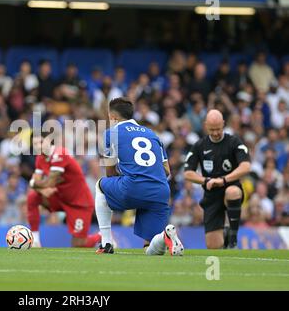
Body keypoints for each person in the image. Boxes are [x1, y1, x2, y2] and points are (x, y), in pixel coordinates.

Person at [95, 98, 184, 256]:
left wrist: (132, 175)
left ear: (112, 116)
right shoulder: (152, 134)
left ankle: (106, 243)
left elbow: (109, 172)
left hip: (133, 187)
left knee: (100, 186)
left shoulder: (110, 134)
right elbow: (166, 171)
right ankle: (165, 236)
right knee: (150, 250)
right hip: (160, 191)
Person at [184, 109, 251, 249]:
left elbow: (245, 166)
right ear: (205, 125)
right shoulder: (199, 145)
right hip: (211, 194)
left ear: (224, 124)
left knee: (232, 192)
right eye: (211, 129)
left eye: (218, 129)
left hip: (230, 186)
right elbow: (188, 173)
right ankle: (225, 235)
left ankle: (233, 237)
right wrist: (205, 181)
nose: (215, 133)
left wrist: (223, 180)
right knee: (213, 246)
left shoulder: (233, 142)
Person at [27, 133, 101, 248]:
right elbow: (36, 182)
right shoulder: (40, 158)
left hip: (79, 202)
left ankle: (102, 236)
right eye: (35, 144)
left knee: (78, 244)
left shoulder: (59, 154)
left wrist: (35, 184)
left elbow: (49, 182)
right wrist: (40, 188)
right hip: (59, 198)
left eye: (41, 142)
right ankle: (35, 240)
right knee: (33, 196)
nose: (38, 146)